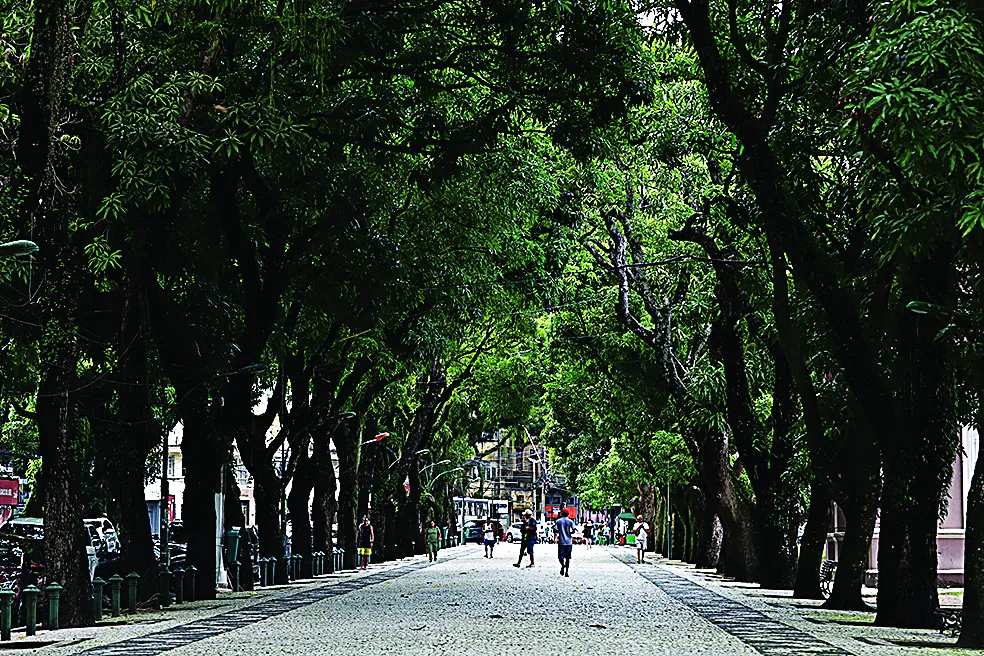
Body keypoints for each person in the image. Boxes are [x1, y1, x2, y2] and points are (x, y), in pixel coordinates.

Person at [554, 508, 575, 577]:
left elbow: (555, 530)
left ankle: (563, 565)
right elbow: (574, 530)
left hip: (561, 542)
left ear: (561, 513)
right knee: (568, 558)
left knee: (560, 557)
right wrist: (570, 533)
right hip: (569, 542)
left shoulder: (558, 521)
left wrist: (555, 538)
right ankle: (566, 572)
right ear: (568, 514)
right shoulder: (570, 521)